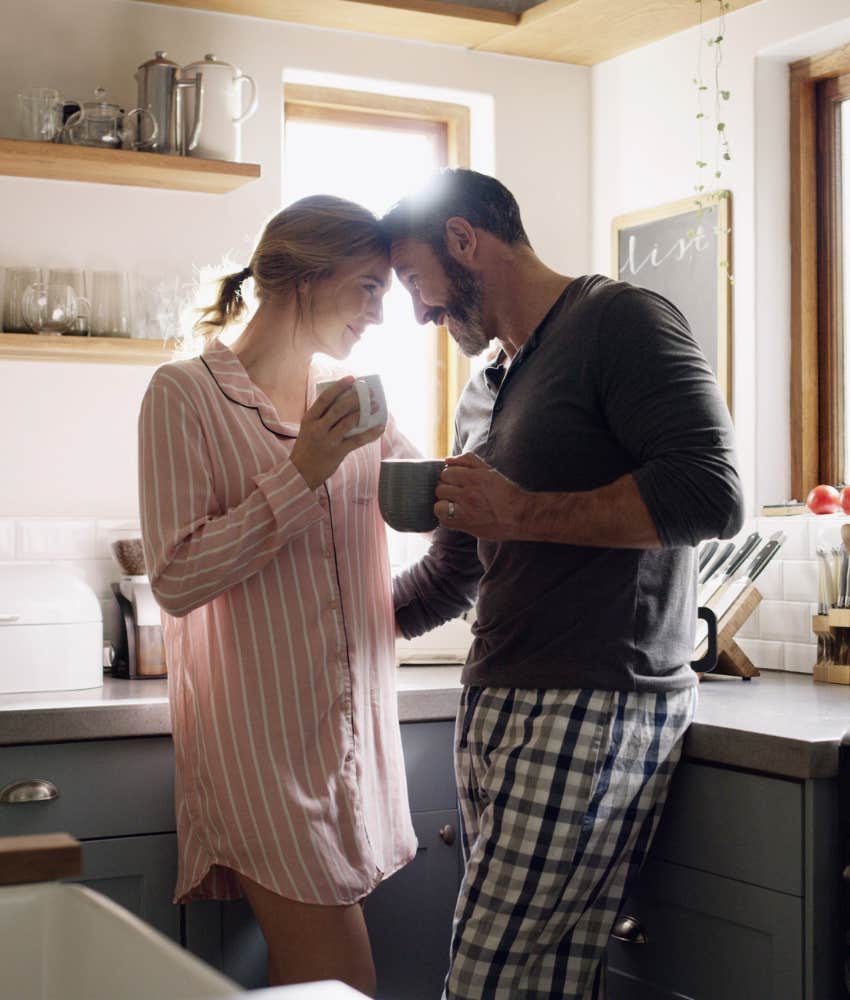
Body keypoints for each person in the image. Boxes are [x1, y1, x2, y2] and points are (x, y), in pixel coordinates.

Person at [381, 169, 745, 999]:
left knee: (487, 982)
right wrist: (332, 625)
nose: (419, 313)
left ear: (464, 240)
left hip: (595, 699)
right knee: (539, 981)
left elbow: (710, 494)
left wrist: (521, 512)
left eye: (413, 281)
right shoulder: (486, 388)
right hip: (496, 702)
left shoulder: (620, 321)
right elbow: (457, 568)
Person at [137, 195, 419, 996]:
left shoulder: (352, 394)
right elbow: (177, 578)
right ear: (308, 277)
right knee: (344, 983)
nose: (378, 313)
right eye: (369, 287)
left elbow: (422, 500)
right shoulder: (183, 395)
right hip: (263, 754)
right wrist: (303, 474)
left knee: (315, 985)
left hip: (356, 746)